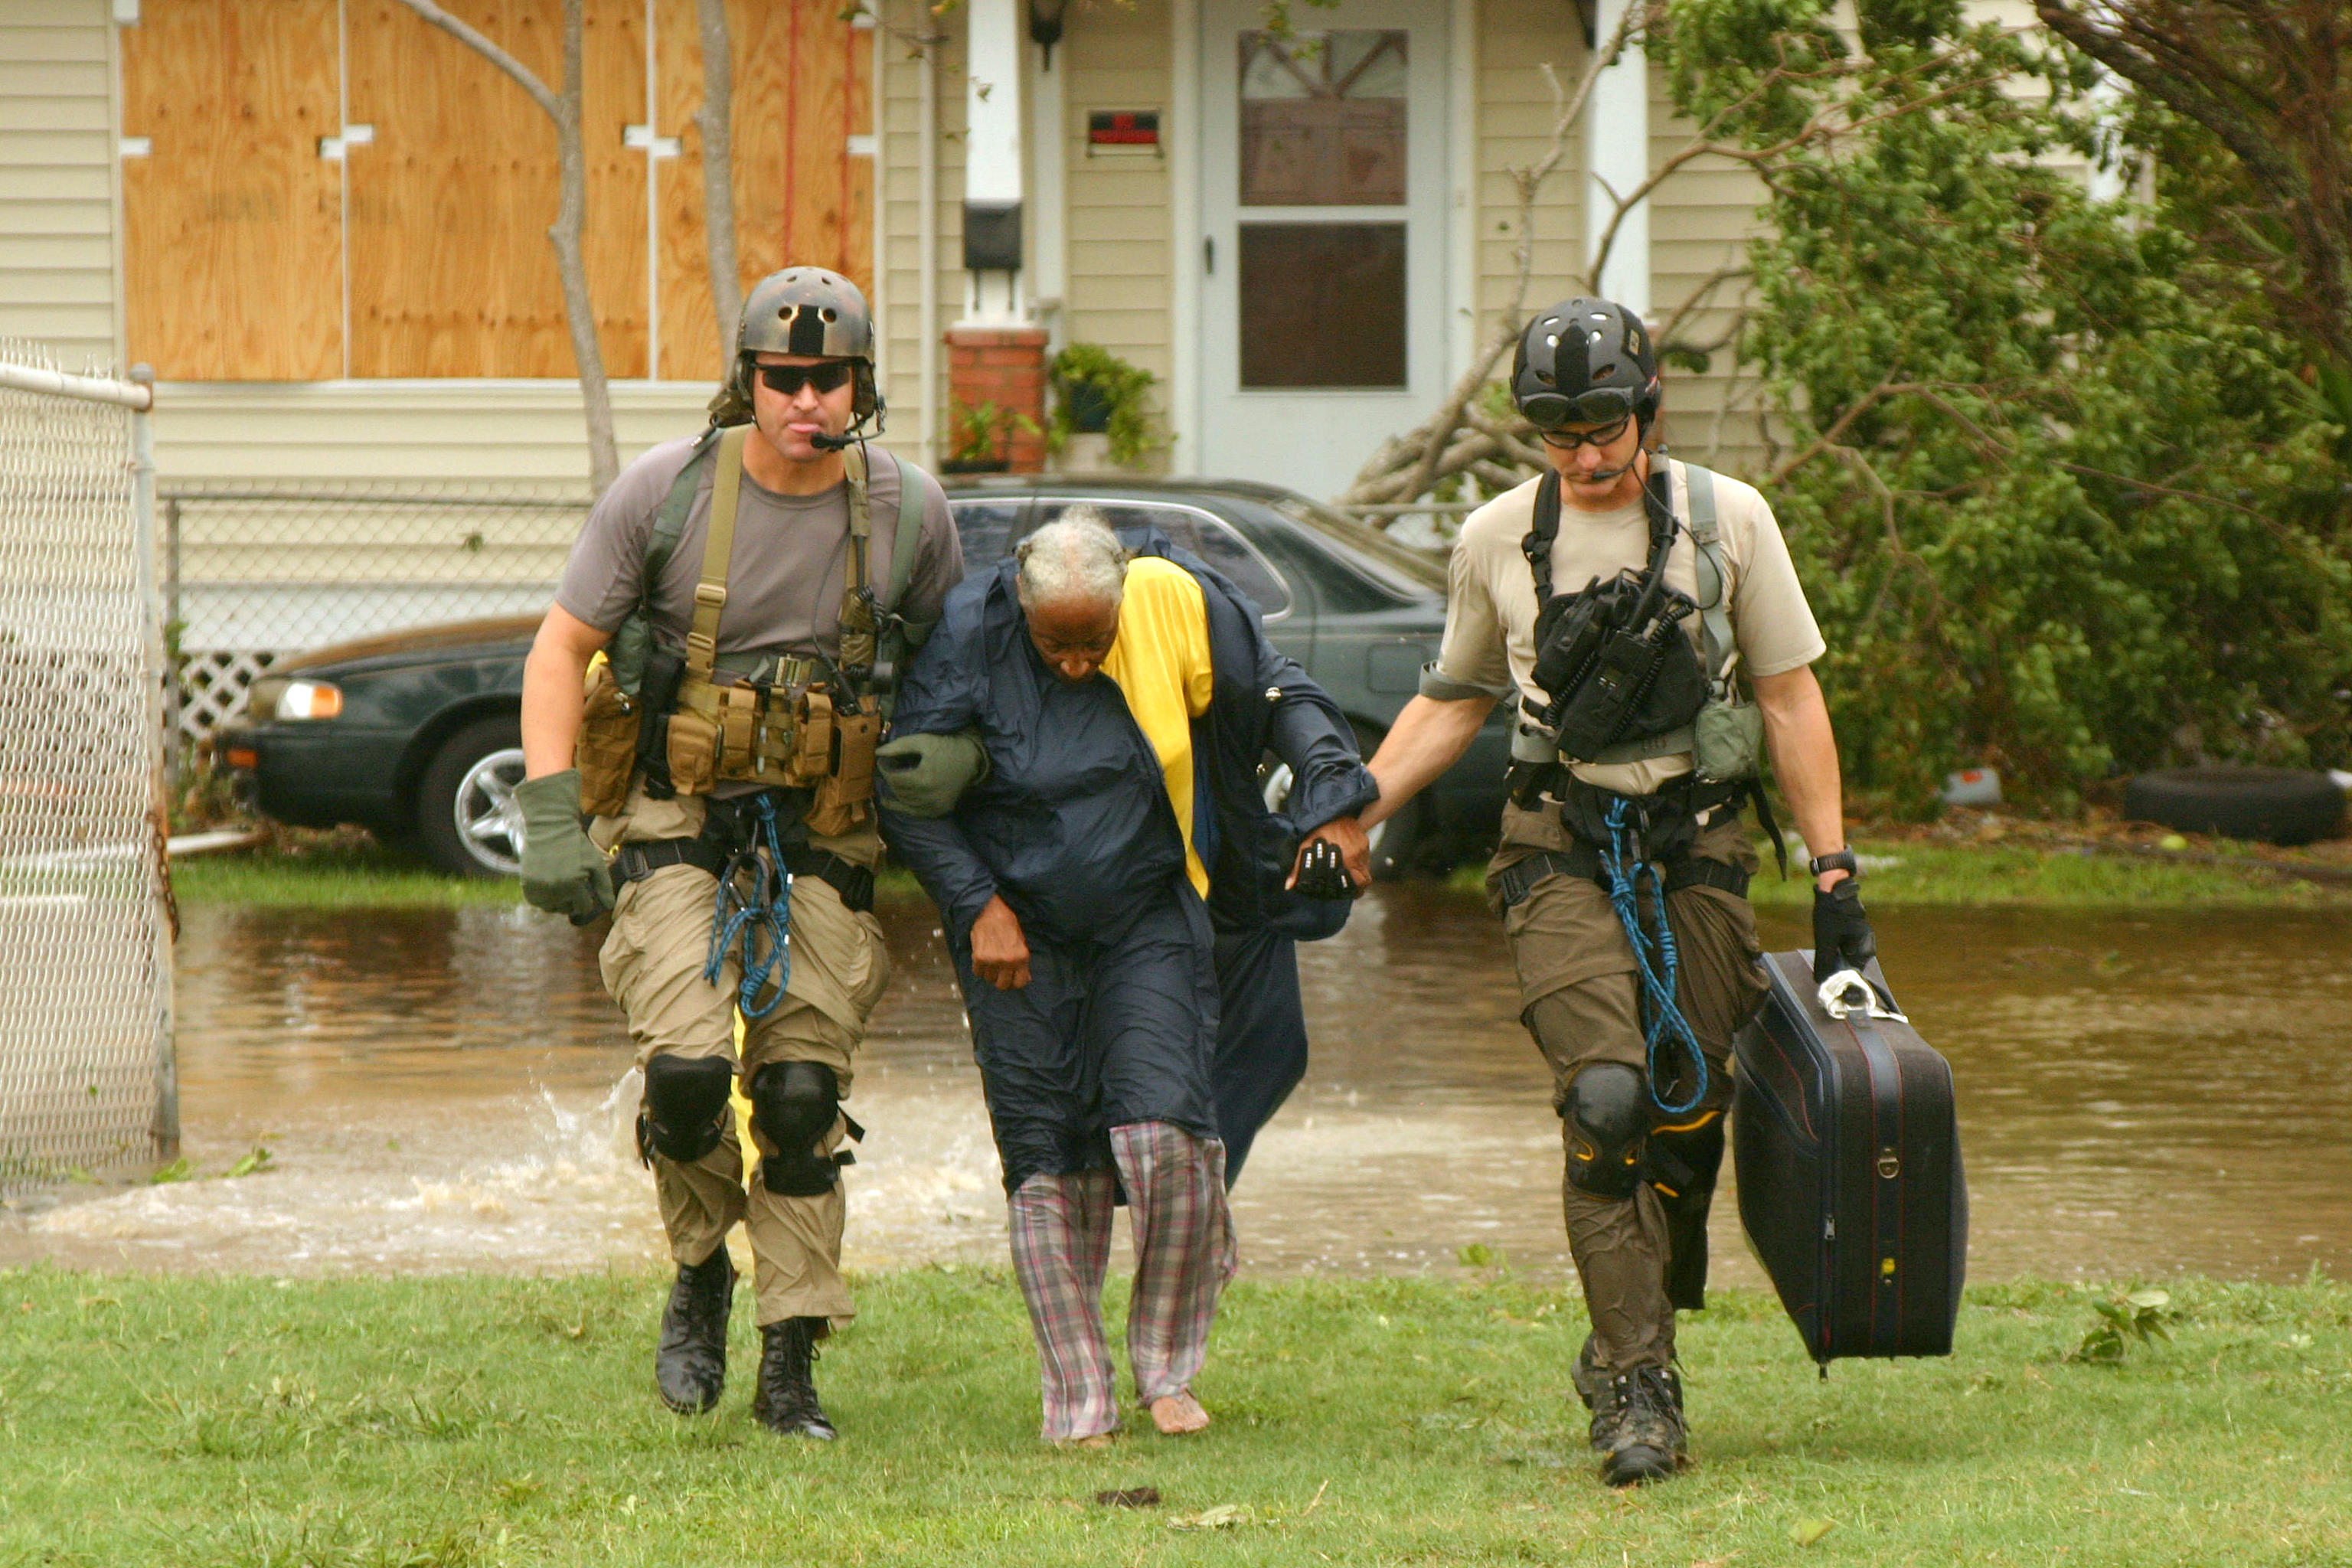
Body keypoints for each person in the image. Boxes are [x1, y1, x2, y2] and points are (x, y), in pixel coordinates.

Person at [1341, 298, 1877, 1486]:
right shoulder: (1493, 536)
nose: (1584, 456)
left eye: (1602, 429)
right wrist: (1352, 813)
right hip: (1556, 847)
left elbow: (1789, 697)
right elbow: (1453, 699)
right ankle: (1640, 1390)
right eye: (1556, 432)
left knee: (1688, 1122)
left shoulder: (1729, 520)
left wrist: (1836, 873)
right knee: (1606, 1101)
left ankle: (1634, 1321)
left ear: (1648, 410)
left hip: (1697, 847)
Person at [509, 267, 963, 1439]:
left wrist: (954, 751)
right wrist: (553, 815)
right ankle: (704, 1267)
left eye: (830, 379)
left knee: (802, 1093)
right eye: (783, 377)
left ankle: (793, 1352)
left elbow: (964, 665)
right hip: (671, 808)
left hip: (825, 826)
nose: (805, 399)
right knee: (690, 1074)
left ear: (861, 385)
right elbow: (562, 651)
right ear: (748, 381)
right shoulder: (663, 494)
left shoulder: (910, 511)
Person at [878, 511, 1375, 1446]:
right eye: (1053, 641)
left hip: (1150, 910)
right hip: (1014, 926)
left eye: (1091, 640)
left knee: (1169, 1139)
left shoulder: (1176, 604)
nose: (1074, 662)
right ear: (1019, 607)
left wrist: (1337, 798)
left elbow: (1284, 698)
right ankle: (1078, 1395)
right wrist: (977, 903)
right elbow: (902, 790)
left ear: (1121, 604)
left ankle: (1166, 1365)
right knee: (1045, 1163)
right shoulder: (968, 632)